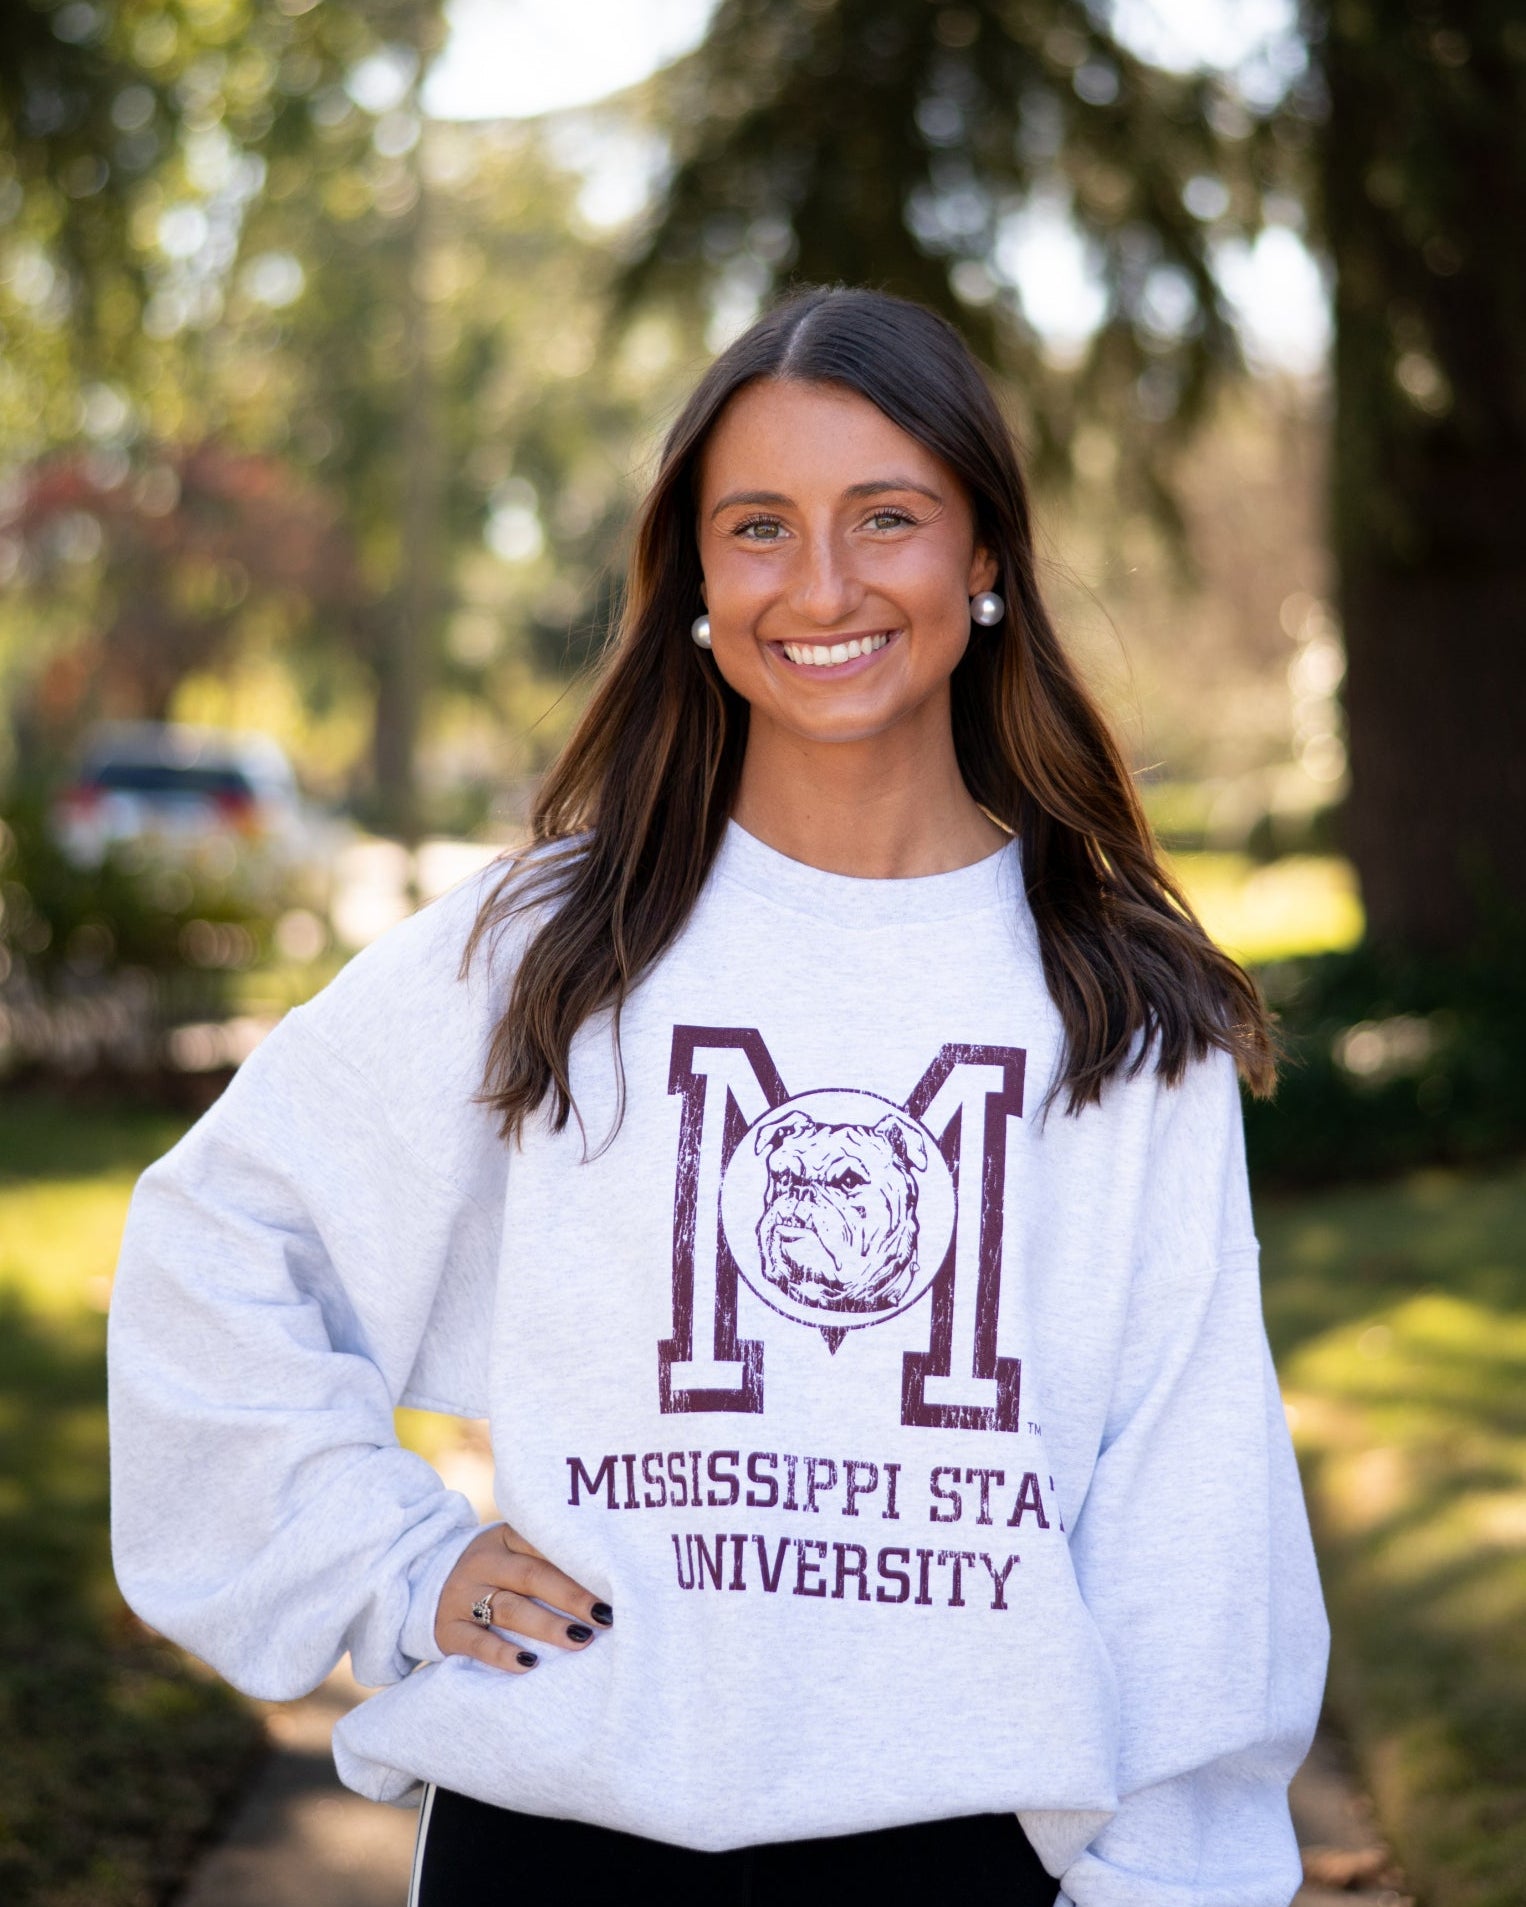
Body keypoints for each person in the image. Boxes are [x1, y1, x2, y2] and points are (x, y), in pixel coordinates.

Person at [108, 284, 1329, 1907]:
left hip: (961, 1858)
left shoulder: (1115, 1003)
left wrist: (1170, 1879)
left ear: (982, 558)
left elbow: (1191, 1526)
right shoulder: (546, 948)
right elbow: (215, 1245)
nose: (819, 584)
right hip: (559, 1845)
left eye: (884, 517)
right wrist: (391, 1565)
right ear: (693, 575)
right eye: (758, 527)